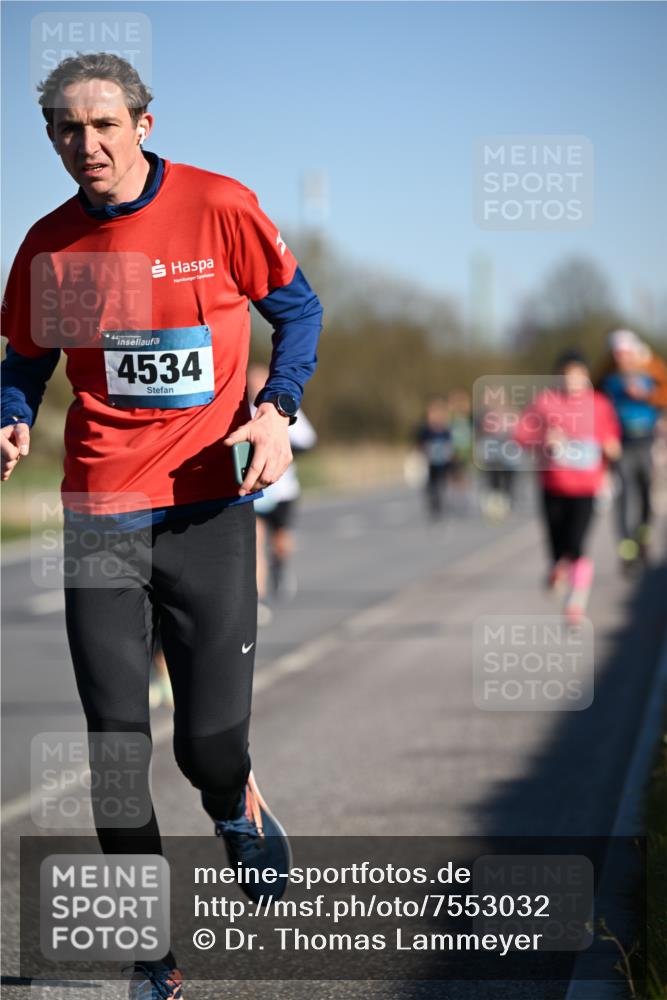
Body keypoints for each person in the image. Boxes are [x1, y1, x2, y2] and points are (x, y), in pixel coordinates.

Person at [1, 53, 323, 998]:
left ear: (144, 123)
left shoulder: (218, 207)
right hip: (101, 508)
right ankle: (154, 960)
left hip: (207, 508)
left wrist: (276, 405)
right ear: (52, 138)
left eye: (104, 124)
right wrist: (12, 411)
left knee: (207, 747)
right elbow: (25, 359)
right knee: (113, 752)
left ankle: (235, 805)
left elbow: (296, 310)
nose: (86, 143)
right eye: (67, 127)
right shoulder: (47, 246)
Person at [513, 352, 621, 624]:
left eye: (577, 374)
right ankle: (557, 569)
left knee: (578, 543)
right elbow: (521, 435)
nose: (572, 380)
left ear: (586, 376)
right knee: (557, 547)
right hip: (553, 484)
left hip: (586, 486)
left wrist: (610, 446)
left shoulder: (600, 404)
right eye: (566, 375)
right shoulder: (545, 403)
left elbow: (611, 436)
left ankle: (576, 603)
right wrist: (543, 437)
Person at [247, 363, 317, 621]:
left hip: (283, 489)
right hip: (255, 489)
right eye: (250, 380)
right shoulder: (243, 409)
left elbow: (309, 441)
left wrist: (279, 445)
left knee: (280, 543)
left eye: (258, 379)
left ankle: (281, 566)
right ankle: (259, 600)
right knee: (255, 542)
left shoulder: (282, 406)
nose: (254, 384)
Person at [598, 329, 667, 571]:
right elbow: (596, 406)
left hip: (647, 441)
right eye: (617, 354)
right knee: (624, 493)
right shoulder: (607, 379)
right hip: (621, 443)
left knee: (647, 489)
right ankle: (626, 548)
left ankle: (644, 535)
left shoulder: (652, 372)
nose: (622, 359)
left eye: (625, 353)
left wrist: (648, 394)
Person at [415, 396, 454, 520]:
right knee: (431, 484)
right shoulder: (425, 430)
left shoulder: (445, 429)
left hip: (443, 461)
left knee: (441, 483)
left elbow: (450, 444)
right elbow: (419, 444)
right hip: (430, 461)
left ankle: (440, 504)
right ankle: (433, 504)